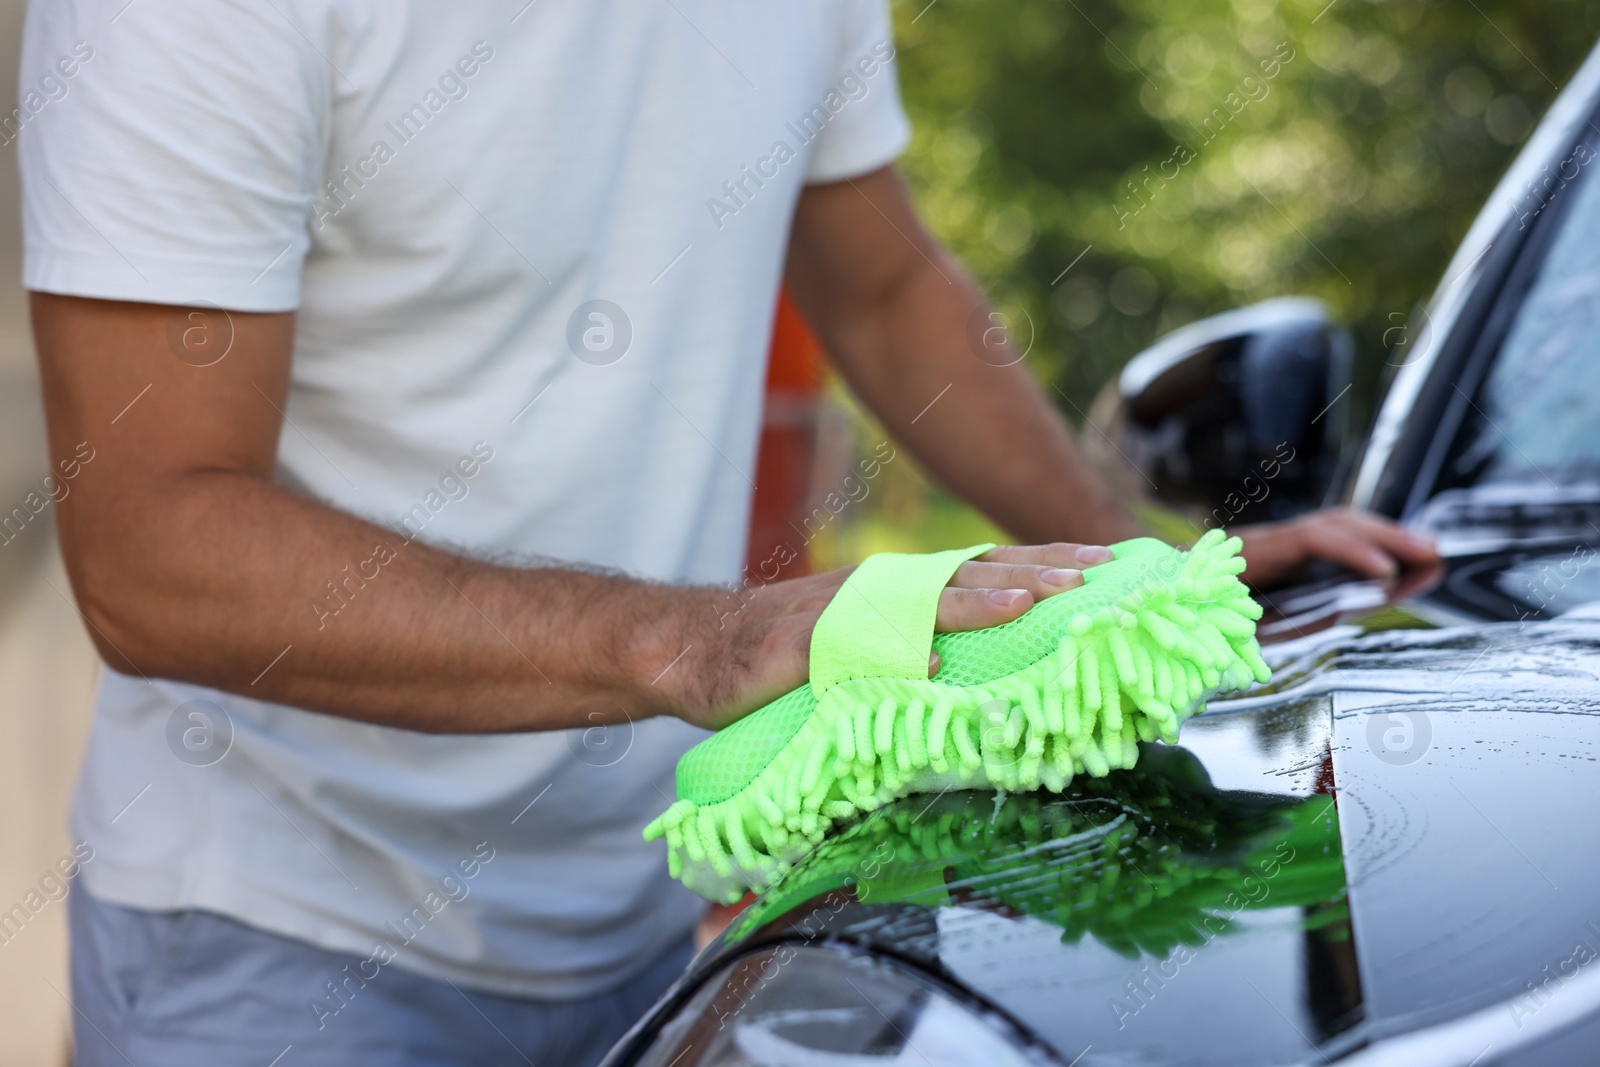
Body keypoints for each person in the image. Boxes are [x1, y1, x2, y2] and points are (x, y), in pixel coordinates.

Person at [18, 1, 1439, 1064]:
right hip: (276, 953)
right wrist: (695, 640)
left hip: (673, 918)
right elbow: (154, 550)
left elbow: (880, 283)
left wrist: (1131, 570)